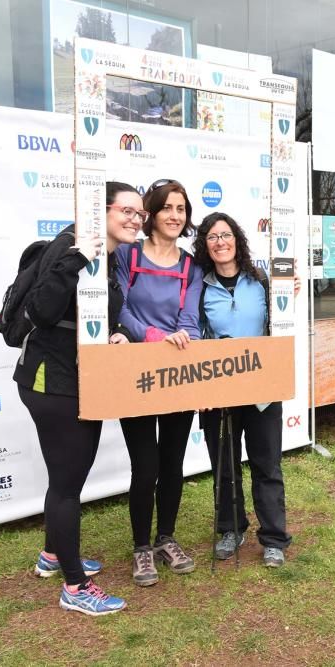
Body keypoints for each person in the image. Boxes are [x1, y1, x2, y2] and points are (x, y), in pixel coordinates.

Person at [16, 181, 144, 615]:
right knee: (68, 484)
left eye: (139, 214)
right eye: (126, 210)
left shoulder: (108, 259)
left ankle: (54, 555)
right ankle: (75, 587)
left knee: (69, 477)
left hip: (81, 380)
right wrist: (74, 259)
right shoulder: (72, 246)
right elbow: (43, 311)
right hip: (50, 382)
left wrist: (118, 334)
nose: (135, 219)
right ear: (102, 211)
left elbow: (97, 317)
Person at [191, 212, 294, 567]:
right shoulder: (199, 286)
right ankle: (230, 529)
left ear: (238, 239)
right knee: (224, 464)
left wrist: (288, 292)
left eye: (226, 235)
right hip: (218, 390)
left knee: (267, 464)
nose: (220, 242)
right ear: (205, 245)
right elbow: (192, 335)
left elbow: (280, 322)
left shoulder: (261, 280)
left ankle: (274, 538)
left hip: (263, 390)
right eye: (212, 237)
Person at [114, 179, 203, 586]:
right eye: (167, 207)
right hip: (136, 371)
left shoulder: (190, 266)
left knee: (172, 463)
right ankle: (140, 548)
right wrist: (152, 337)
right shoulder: (128, 255)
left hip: (178, 372)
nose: (174, 215)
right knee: (144, 465)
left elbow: (190, 318)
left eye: (181, 209)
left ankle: (165, 538)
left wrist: (185, 336)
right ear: (152, 212)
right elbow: (121, 308)